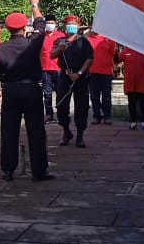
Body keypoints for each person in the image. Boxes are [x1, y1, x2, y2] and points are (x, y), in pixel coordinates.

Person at [0, 0, 52, 182]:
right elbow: (41, 24)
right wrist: (34, 4)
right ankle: (39, 171)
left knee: (9, 130)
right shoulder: (32, 43)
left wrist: (8, 80)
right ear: (24, 26)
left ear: (7, 29)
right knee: (36, 130)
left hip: (11, 91)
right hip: (31, 89)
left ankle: (8, 170)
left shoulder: (2, 48)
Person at [51, 14, 93, 147]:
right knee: (61, 106)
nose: (72, 27)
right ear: (65, 27)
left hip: (80, 78)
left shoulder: (83, 41)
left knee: (82, 107)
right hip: (65, 77)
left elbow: (89, 58)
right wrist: (59, 48)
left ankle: (80, 135)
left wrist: (79, 73)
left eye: (74, 25)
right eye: (69, 25)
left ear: (78, 27)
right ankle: (66, 131)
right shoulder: (59, 40)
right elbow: (52, 55)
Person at [86, 28, 117, 125]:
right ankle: (96, 116)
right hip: (92, 72)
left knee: (106, 96)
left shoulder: (109, 40)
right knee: (94, 96)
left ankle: (107, 116)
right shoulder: (88, 39)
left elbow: (112, 56)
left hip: (106, 72)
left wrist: (114, 69)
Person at [120, 46, 144, 129]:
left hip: (142, 82)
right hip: (131, 83)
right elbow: (117, 60)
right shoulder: (126, 50)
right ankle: (133, 122)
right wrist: (115, 52)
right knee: (131, 103)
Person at [40, 16, 61, 124]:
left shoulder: (61, 36)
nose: (50, 24)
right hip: (45, 69)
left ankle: (61, 114)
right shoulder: (40, 37)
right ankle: (49, 114)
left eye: (52, 22)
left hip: (58, 68)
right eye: (48, 23)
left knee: (60, 92)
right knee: (47, 93)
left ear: (55, 24)